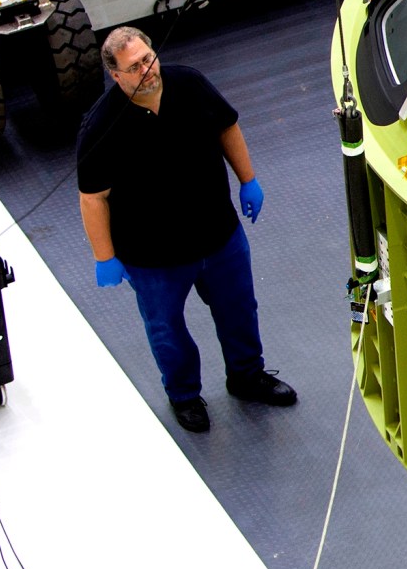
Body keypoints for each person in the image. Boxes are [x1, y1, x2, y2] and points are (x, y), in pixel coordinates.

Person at [77, 26, 295, 433]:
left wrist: (248, 179)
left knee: (239, 310)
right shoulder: (102, 126)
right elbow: (93, 197)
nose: (147, 69)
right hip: (154, 258)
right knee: (167, 330)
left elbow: (226, 126)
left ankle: (247, 376)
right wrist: (104, 256)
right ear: (116, 76)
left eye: (148, 58)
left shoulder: (189, 83)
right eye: (134, 66)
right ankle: (184, 396)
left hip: (219, 236)